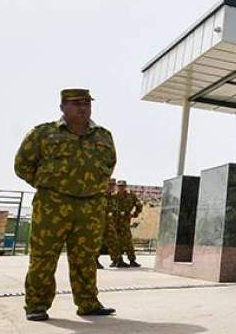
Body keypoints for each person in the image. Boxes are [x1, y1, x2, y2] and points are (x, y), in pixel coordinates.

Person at [13, 89, 117, 321]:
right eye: (76, 103)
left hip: (90, 206)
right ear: (63, 107)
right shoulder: (43, 133)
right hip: (52, 205)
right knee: (43, 257)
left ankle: (88, 303)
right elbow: (22, 165)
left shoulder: (103, 136)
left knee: (86, 258)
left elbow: (110, 165)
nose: (83, 108)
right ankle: (37, 305)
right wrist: (48, 185)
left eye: (87, 103)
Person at [114, 181, 143, 268]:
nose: (121, 188)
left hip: (125, 222)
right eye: (119, 186)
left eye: (122, 186)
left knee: (128, 241)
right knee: (115, 241)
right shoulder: (113, 196)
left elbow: (139, 205)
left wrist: (135, 214)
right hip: (114, 221)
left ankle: (132, 260)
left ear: (125, 186)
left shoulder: (131, 196)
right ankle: (117, 260)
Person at [101, 179, 121, 268]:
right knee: (98, 242)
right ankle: (94, 261)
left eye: (113, 185)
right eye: (110, 185)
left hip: (109, 223)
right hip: (100, 223)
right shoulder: (100, 196)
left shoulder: (114, 197)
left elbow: (115, 210)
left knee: (114, 241)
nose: (111, 186)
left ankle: (117, 260)